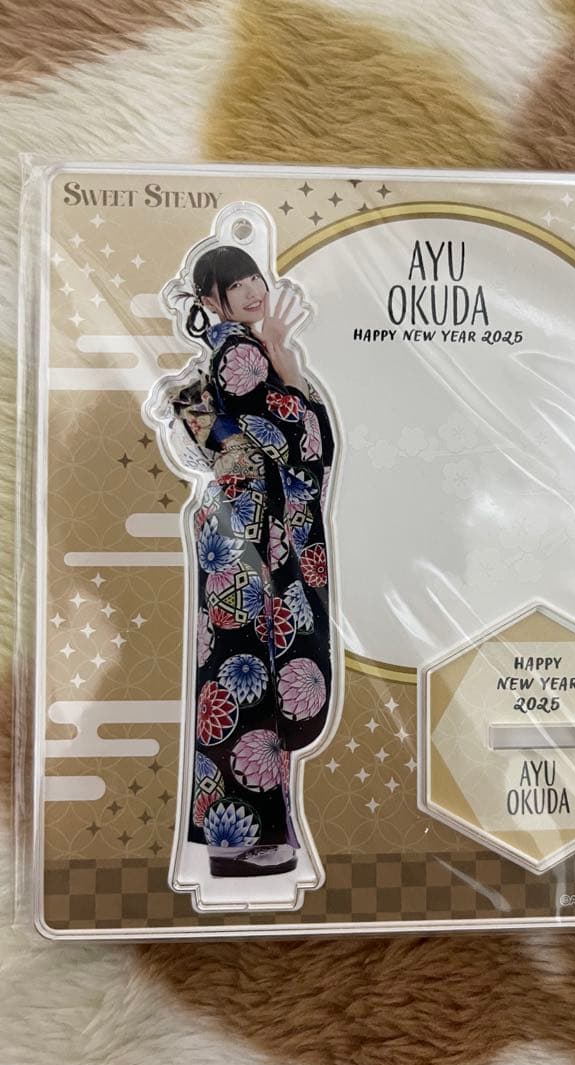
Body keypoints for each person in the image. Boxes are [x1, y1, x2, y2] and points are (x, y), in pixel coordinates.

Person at [169, 245, 335, 878]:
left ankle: (234, 839)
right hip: (253, 532)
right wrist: (288, 367)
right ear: (209, 299)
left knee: (232, 667)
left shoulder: (234, 351)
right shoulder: (241, 352)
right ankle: (252, 843)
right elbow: (302, 442)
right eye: (233, 285)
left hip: (234, 527)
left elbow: (238, 433)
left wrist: (280, 357)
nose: (251, 290)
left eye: (253, 278)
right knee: (254, 670)